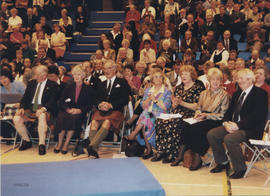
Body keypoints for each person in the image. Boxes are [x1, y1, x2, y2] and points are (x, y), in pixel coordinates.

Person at [207, 68, 268, 179]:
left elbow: (256, 117)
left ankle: (240, 169)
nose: (238, 81)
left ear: (250, 80)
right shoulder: (237, 94)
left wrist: (238, 126)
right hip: (233, 126)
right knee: (212, 134)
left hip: (251, 129)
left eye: (241, 78)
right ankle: (223, 162)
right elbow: (229, 112)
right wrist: (225, 123)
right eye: (238, 78)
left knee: (230, 138)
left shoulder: (260, 94)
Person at [178, 68, 230, 170]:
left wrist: (206, 115)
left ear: (221, 81)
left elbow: (222, 115)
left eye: (217, 80)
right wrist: (198, 114)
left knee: (198, 128)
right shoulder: (203, 93)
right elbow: (198, 107)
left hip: (216, 120)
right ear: (209, 81)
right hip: (203, 117)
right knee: (185, 124)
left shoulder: (225, 95)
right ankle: (181, 153)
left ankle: (198, 157)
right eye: (212, 80)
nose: (215, 82)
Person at [152, 65, 205, 164]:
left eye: (186, 74)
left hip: (191, 114)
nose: (183, 76)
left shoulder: (198, 86)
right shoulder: (179, 87)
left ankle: (174, 154)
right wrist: (175, 104)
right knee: (161, 121)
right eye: (182, 74)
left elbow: (198, 106)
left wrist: (182, 103)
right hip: (177, 113)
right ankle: (162, 151)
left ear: (192, 75)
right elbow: (174, 106)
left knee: (173, 123)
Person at [86, 60, 130, 158]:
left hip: (116, 111)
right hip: (102, 110)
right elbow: (96, 99)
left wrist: (111, 105)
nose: (106, 71)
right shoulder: (102, 84)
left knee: (106, 121)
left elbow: (125, 99)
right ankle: (93, 149)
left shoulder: (122, 82)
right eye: (105, 68)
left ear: (115, 69)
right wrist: (100, 104)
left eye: (109, 68)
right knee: (93, 122)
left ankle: (91, 146)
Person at [13, 65, 59, 155]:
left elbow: (53, 101)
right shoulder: (31, 83)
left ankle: (41, 144)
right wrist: (21, 108)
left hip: (45, 109)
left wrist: (43, 109)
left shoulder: (53, 85)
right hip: (30, 109)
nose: (34, 76)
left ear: (44, 74)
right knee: (16, 118)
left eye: (36, 74)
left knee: (41, 116)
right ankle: (27, 141)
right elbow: (25, 98)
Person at [127, 68, 172, 159]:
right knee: (145, 115)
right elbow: (143, 106)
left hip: (161, 114)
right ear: (152, 80)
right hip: (148, 114)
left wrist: (155, 100)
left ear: (163, 79)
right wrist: (149, 99)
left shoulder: (167, 91)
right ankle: (148, 149)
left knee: (145, 116)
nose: (158, 79)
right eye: (155, 77)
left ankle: (135, 135)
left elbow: (165, 107)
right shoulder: (148, 91)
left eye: (160, 77)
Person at [54, 65, 94, 154]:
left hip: (79, 112)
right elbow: (61, 101)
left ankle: (66, 143)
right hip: (67, 110)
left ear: (83, 76)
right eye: (74, 74)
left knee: (73, 118)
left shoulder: (88, 89)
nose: (76, 77)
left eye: (78, 75)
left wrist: (79, 110)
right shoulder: (69, 86)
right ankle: (60, 143)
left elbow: (89, 105)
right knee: (61, 117)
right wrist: (67, 109)